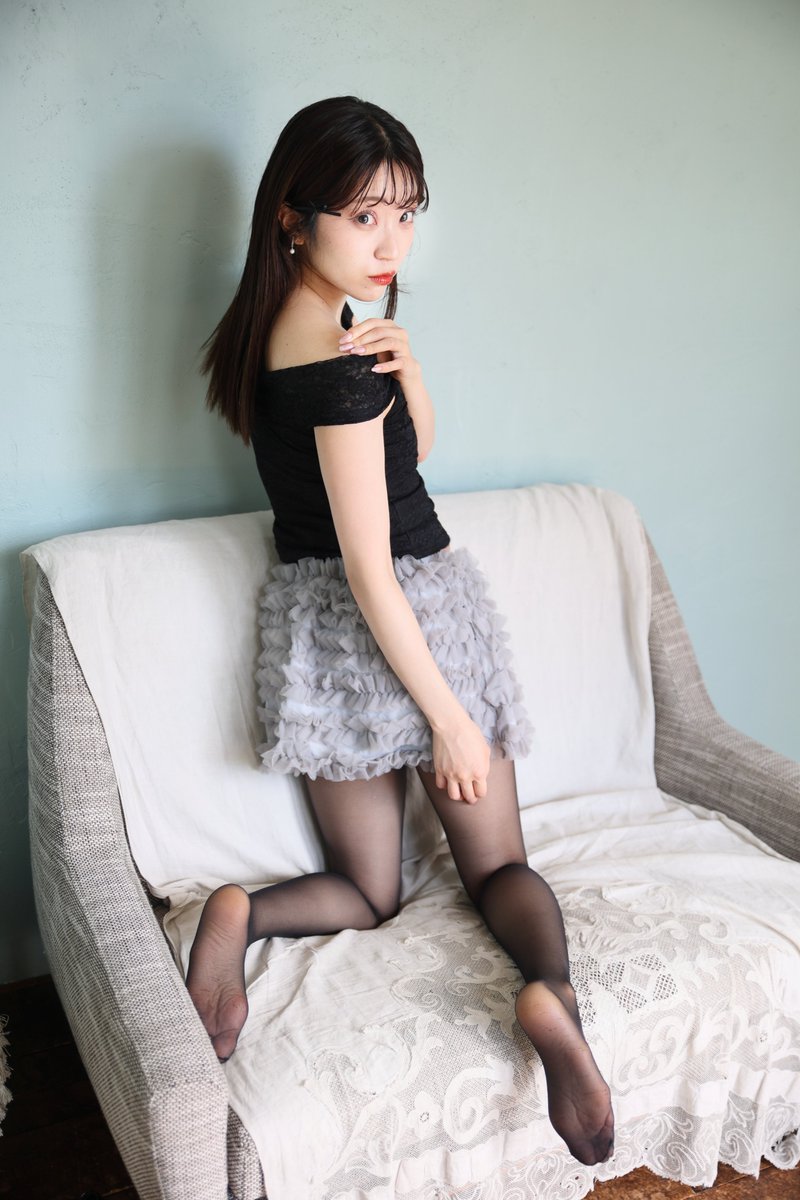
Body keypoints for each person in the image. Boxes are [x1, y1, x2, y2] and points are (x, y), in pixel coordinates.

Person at [187, 95, 614, 1167]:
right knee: (497, 866)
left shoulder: (284, 334)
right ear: (294, 219)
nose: (391, 243)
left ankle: (240, 911)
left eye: (406, 214)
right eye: (364, 216)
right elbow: (376, 569)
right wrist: (452, 722)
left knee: (368, 892)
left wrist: (408, 372)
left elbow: (401, 461)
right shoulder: (335, 369)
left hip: (319, 644)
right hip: (410, 622)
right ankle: (549, 993)